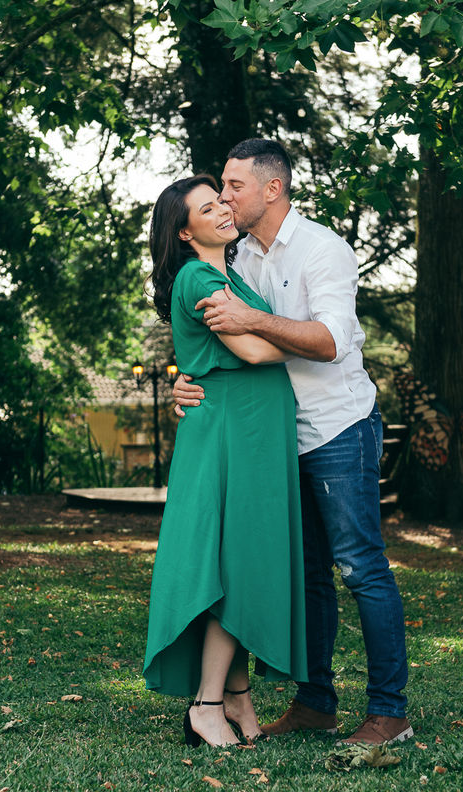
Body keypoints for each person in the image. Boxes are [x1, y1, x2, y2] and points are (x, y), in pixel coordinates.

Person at [174, 139, 412, 744]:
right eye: (220, 189)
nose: (225, 197)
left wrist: (253, 321)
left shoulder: (322, 250)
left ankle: (389, 712)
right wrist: (189, 377)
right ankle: (315, 702)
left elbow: (332, 340)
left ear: (271, 189)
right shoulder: (240, 256)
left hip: (336, 427)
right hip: (274, 440)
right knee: (307, 575)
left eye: (233, 186)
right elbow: (221, 344)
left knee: (360, 567)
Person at [142, 174, 308, 748]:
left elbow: (242, 343)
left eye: (220, 201)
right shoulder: (200, 276)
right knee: (234, 567)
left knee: (244, 559)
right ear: (184, 232)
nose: (220, 210)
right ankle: (206, 706)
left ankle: (236, 697)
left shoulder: (230, 273)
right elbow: (255, 349)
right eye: (205, 208)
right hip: (231, 435)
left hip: (253, 431)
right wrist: (318, 338)